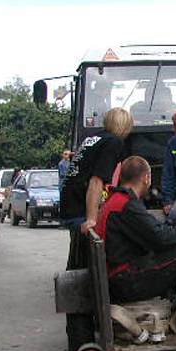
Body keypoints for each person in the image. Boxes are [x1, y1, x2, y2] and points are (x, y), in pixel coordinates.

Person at [97, 156, 176, 333]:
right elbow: (159, 237)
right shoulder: (126, 205)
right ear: (146, 178)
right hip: (127, 280)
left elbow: (152, 229)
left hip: (119, 276)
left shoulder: (117, 200)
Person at [61, 107, 133, 269]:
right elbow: (96, 181)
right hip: (80, 207)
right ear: (125, 126)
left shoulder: (93, 138)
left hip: (69, 203)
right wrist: (92, 219)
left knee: (79, 253)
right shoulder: (114, 143)